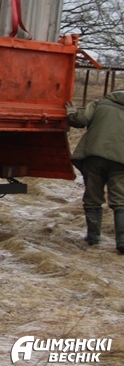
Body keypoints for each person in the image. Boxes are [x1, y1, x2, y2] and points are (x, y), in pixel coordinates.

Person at [66, 90, 124, 253]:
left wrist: (71, 111)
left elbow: (79, 120)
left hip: (95, 156)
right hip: (121, 161)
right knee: (120, 201)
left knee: (93, 197)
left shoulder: (100, 103)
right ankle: (122, 241)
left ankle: (93, 238)